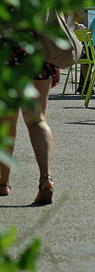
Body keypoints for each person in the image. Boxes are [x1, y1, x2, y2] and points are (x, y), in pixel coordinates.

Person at [0, 32, 58, 205]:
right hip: (38, 53)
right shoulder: (40, 3)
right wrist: (55, 63)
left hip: (5, 52)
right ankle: (45, 178)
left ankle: (3, 182)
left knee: (6, 121)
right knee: (37, 120)